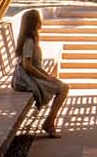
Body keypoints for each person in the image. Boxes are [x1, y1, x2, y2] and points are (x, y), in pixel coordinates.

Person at [12, 7, 69, 137]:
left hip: (29, 75)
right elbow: (27, 66)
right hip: (25, 78)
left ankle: (49, 122)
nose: (41, 22)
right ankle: (49, 123)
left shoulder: (32, 40)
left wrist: (47, 76)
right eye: (39, 20)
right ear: (35, 23)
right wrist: (46, 78)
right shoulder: (29, 41)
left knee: (62, 86)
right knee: (63, 88)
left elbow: (34, 65)